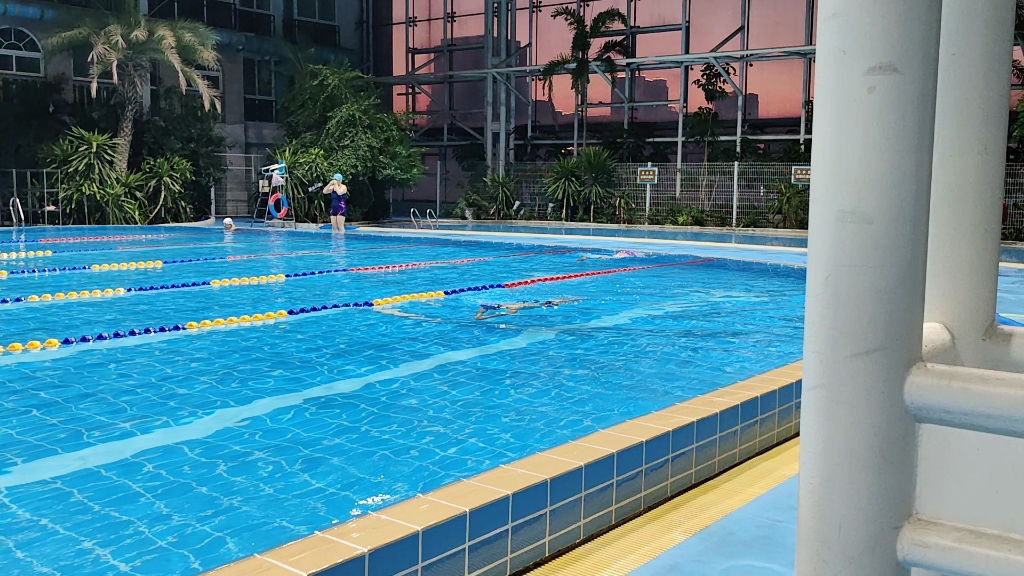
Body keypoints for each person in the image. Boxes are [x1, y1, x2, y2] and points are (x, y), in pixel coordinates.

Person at [475, 298, 580, 320]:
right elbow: (478, 316)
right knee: (554, 300)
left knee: (556, 302)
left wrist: (494, 315)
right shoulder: (505, 304)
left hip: (540, 304)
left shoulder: (512, 308)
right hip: (532, 302)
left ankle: (575, 299)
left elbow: (478, 318)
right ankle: (575, 298)